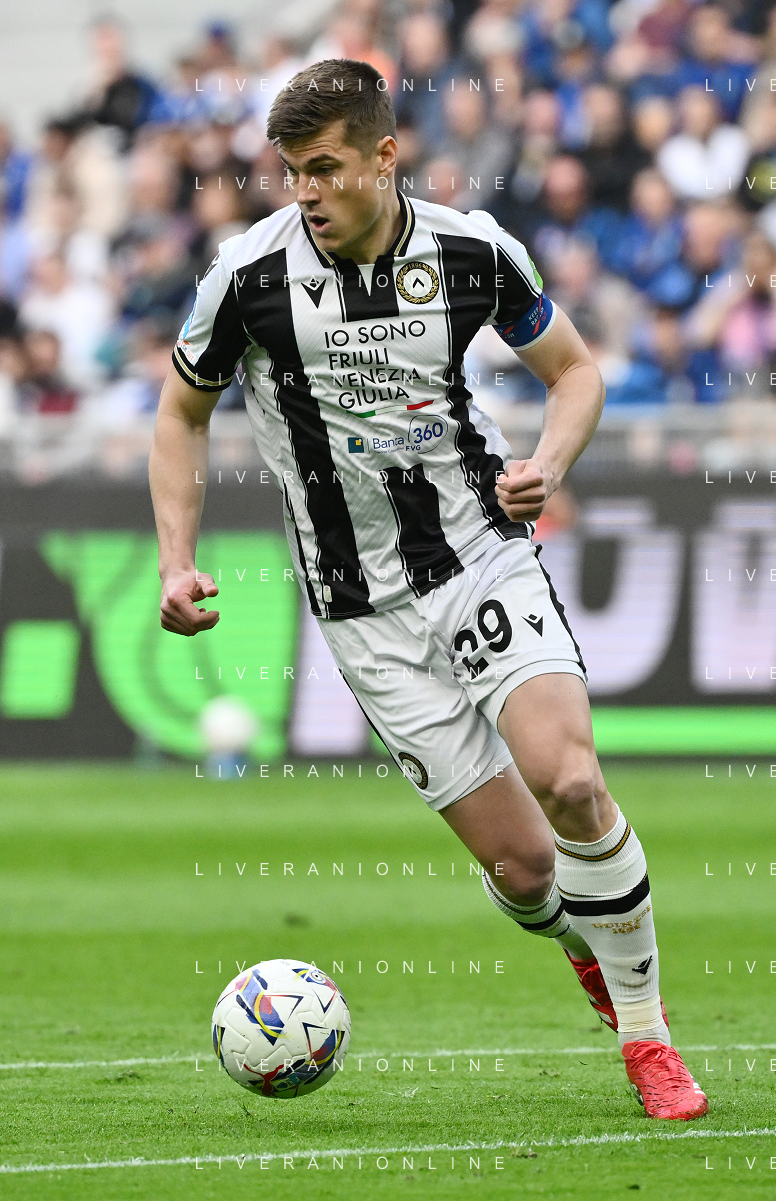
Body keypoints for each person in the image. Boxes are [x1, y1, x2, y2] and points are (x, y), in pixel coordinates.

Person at [149, 58, 708, 1122]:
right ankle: (590, 954)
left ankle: (648, 1038)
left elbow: (577, 371)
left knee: (571, 779)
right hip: (360, 610)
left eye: (324, 168)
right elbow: (181, 413)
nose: (305, 192)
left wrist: (551, 461)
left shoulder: (470, 250)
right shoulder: (248, 276)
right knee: (525, 870)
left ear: (384, 155)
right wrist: (176, 559)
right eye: (290, 172)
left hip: (479, 554)